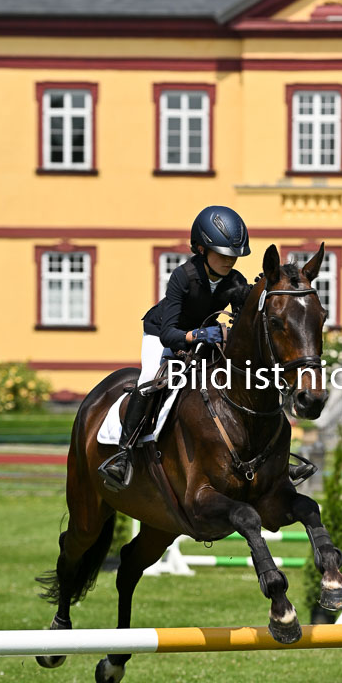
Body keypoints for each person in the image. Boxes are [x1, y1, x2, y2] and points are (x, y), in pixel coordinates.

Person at [98, 205, 252, 491]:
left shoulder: (235, 282)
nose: (229, 260)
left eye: (233, 255)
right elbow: (170, 335)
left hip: (203, 337)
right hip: (161, 333)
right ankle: (124, 455)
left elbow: (243, 326)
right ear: (202, 249)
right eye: (222, 253)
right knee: (149, 381)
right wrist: (200, 335)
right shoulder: (183, 276)